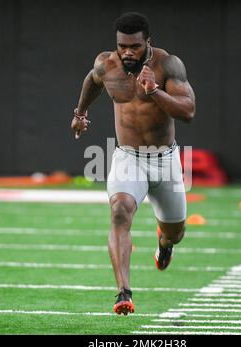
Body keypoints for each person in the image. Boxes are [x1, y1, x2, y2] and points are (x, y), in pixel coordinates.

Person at [71, 12, 196, 315]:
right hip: (128, 158)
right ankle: (123, 292)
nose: (127, 53)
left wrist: (155, 91)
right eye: (122, 46)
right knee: (119, 212)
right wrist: (81, 113)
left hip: (165, 160)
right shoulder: (107, 64)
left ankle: (163, 244)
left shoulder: (168, 64)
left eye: (135, 47)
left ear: (147, 43)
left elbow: (188, 111)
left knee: (175, 233)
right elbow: (92, 80)